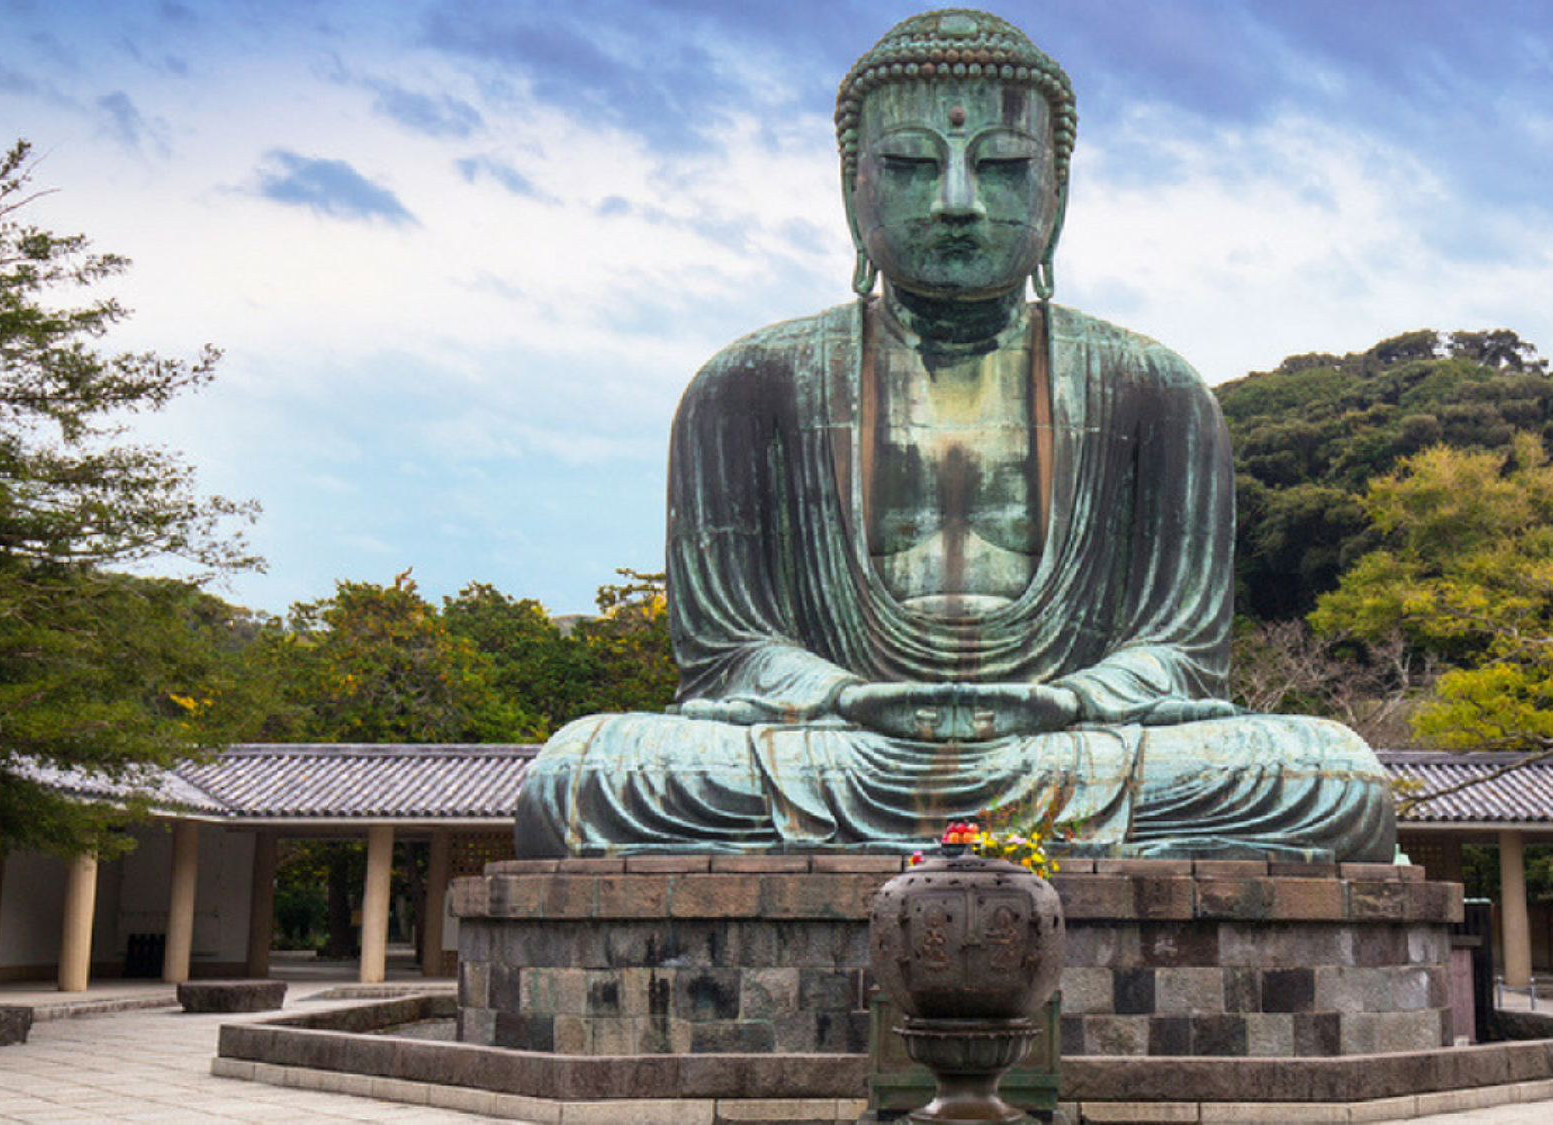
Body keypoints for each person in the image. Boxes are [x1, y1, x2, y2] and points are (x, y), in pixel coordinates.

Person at [515, 9, 1394, 861]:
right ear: (852, 186)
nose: (957, 201)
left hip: (1069, 748)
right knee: (581, 775)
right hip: (841, 745)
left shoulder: (1155, 390)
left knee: (1332, 777)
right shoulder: (746, 386)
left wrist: (1067, 701)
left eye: (1004, 166)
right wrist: (849, 697)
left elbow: (1180, 656)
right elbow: (730, 655)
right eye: (910, 164)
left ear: (1058, 191)